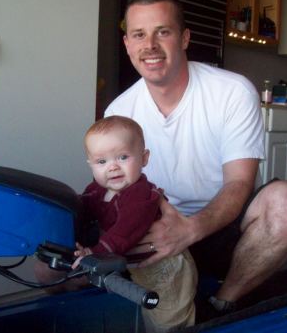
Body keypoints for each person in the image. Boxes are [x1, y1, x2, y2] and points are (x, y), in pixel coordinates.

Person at [104, 0, 287, 320]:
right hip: (156, 229)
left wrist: (190, 229)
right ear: (127, 43)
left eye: (163, 32)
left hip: (222, 227)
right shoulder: (118, 112)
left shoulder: (232, 91)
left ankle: (221, 304)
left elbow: (240, 182)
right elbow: (116, 192)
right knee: (51, 268)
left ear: (185, 38)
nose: (151, 45)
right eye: (140, 34)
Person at [73, 115, 198, 333]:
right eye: (102, 162)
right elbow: (83, 211)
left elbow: (125, 231)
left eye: (122, 157)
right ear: (91, 164)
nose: (112, 167)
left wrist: (95, 252)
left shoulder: (139, 195)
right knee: (144, 310)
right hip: (136, 266)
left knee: (168, 318)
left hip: (165, 267)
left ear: (144, 158)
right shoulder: (95, 190)